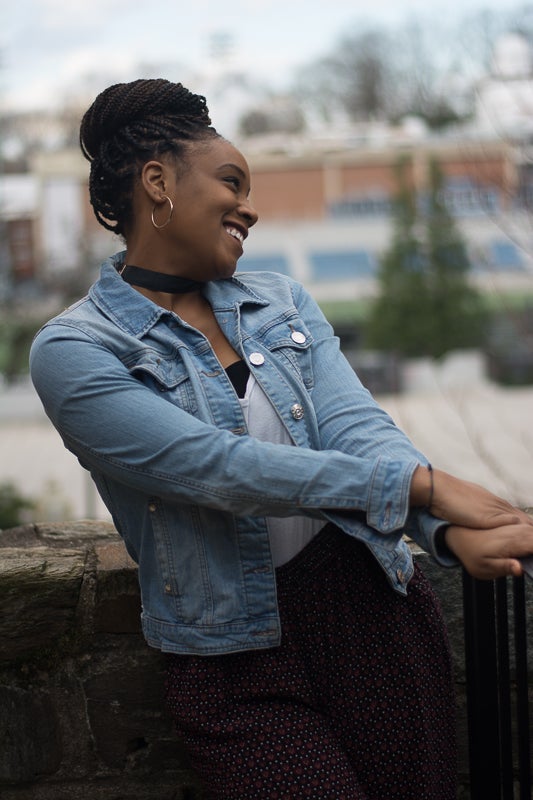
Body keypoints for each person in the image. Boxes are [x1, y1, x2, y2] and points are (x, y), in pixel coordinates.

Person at [29, 78, 533, 800]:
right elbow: (214, 469)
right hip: (231, 657)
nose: (250, 207)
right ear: (158, 182)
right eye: (230, 182)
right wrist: (422, 486)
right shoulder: (76, 349)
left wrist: (441, 533)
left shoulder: (282, 301)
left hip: (369, 613)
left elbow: (358, 430)